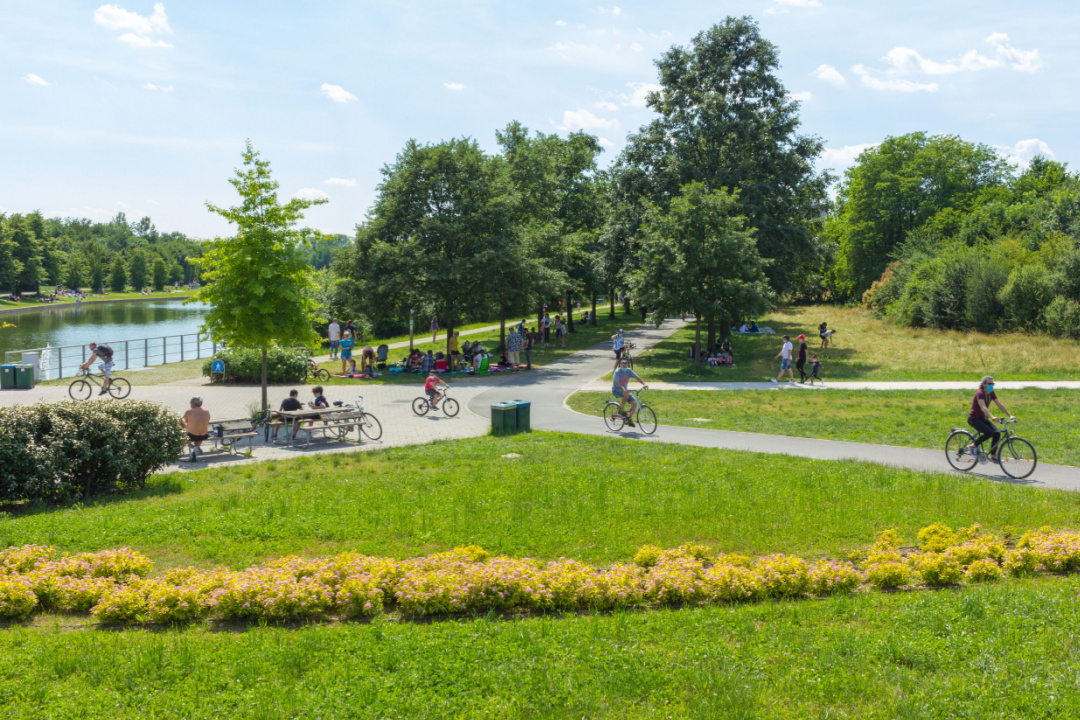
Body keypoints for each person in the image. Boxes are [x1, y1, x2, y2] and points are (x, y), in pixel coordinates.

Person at [968, 376, 1015, 462]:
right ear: (983, 384)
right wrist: (992, 417)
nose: (991, 386)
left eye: (993, 384)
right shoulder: (980, 393)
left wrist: (1010, 415)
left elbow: (1000, 405)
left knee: (997, 433)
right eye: (989, 384)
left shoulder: (991, 393)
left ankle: (992, 456)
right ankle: (973, 446)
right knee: (989, 432)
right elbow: (983, 407)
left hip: (982, 418)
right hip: (974, 419)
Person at [612, 357, 648, 427]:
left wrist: (644, 384)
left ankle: (629, 418)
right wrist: (622, 388)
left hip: (625, 391)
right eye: (623, 366)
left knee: (634, 403)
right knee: (626, 393)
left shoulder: (628, 371)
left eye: (626, 366)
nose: (624, 368)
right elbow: (616, 382)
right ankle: (621, 409)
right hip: (616, 390)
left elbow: (637, 377)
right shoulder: (617, 372)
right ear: (620, 365)